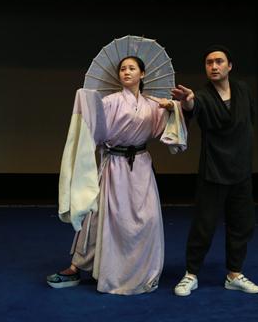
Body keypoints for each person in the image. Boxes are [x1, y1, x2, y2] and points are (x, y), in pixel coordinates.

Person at [47, 55, 187, 295]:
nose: (126, 72)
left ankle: (139, 270)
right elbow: (96, 130)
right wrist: (87, 101)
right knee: (100, 215)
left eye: (132, 68)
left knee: (148, 218)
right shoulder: (110, 102)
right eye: (123, 69)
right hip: (114, 165)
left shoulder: (153, 104)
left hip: (141, 166)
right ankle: (77, 266)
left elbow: (168, 134)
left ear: (142, 74)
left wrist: (172, 108)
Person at [171, 45, 258, 296]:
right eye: (209, 62)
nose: (214, 66)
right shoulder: (202, 96)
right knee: (204, 225)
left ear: (229, 66)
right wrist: (187, 102)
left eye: (219, 61)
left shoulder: (243, 90)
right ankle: (191, 274)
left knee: (241, 224)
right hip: (214, 170)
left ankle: (234, 274)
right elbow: (192, 107)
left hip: (241, 171)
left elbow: (250, 121)